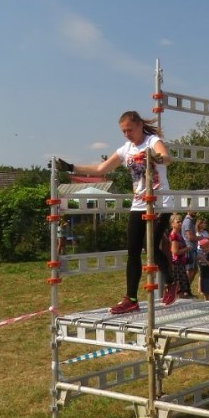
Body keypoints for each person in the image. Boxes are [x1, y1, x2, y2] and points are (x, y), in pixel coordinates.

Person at [56, 110, 176, 315]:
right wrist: (70, 167)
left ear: (139, 125)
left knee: (151, 246)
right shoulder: (125, 150)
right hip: (139, 202)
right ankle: (131, 299)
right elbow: (101, 169)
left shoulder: (152, 141)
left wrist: (157, 157)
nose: (127, 134)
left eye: (129, 129)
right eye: (123, 131)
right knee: (133, 251)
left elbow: (166, 158)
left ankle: (171, 282)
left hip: (160, 202)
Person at [169, 212, 191, 297]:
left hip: (180, 263)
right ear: (172, 224)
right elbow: (175, 252)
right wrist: (186, 249)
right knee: (180, 290)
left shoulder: (178, 234)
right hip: (176, 264)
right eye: (178, 222)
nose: (180, 223)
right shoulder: (174, 235)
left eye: (180, 221)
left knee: (182, 289)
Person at [196, 217, 209, 300]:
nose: (205, 225)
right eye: (203, 223)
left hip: (208, 274)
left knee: (208, 291)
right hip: (200, 255)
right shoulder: (196, 233)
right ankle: (200, 288)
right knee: (201, 273)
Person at [181, 209, 198, 294]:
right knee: (190, 270)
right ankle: (185, 289)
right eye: (194, 210)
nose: (195, 211)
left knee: (194, 269)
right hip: (189, 248)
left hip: (192, 248)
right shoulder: (188, 221)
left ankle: (187, 289)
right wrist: (202, 238)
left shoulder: (190, 221)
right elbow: (190, 237)